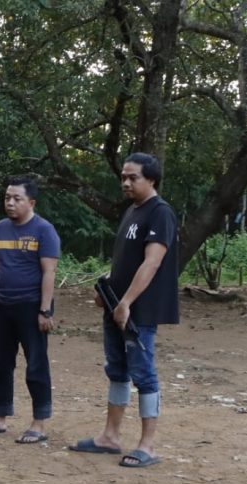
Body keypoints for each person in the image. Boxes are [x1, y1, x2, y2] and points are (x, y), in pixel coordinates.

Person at [70, 153, 179, 467]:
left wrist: (127, 302)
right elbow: (126, 262)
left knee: (144, 374)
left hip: (138, 311)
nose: (126, 183)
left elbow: (152, 262)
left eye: (134, 178)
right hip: (116, 306)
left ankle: (147, 446)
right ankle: (110, 437)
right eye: (124, 177)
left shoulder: (160, 213)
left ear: (152, 180)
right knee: (117, 371)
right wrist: (109, 295)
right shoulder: (133, 211)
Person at [0, 176, 60, 443]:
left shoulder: (44, 230)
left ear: (31, 202)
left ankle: (38, 424)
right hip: (4, 305)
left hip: (32, 306)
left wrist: (45, 311)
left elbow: (49, 272)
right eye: (7, 198)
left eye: (16, 198)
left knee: (36, 364)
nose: (10, 203)